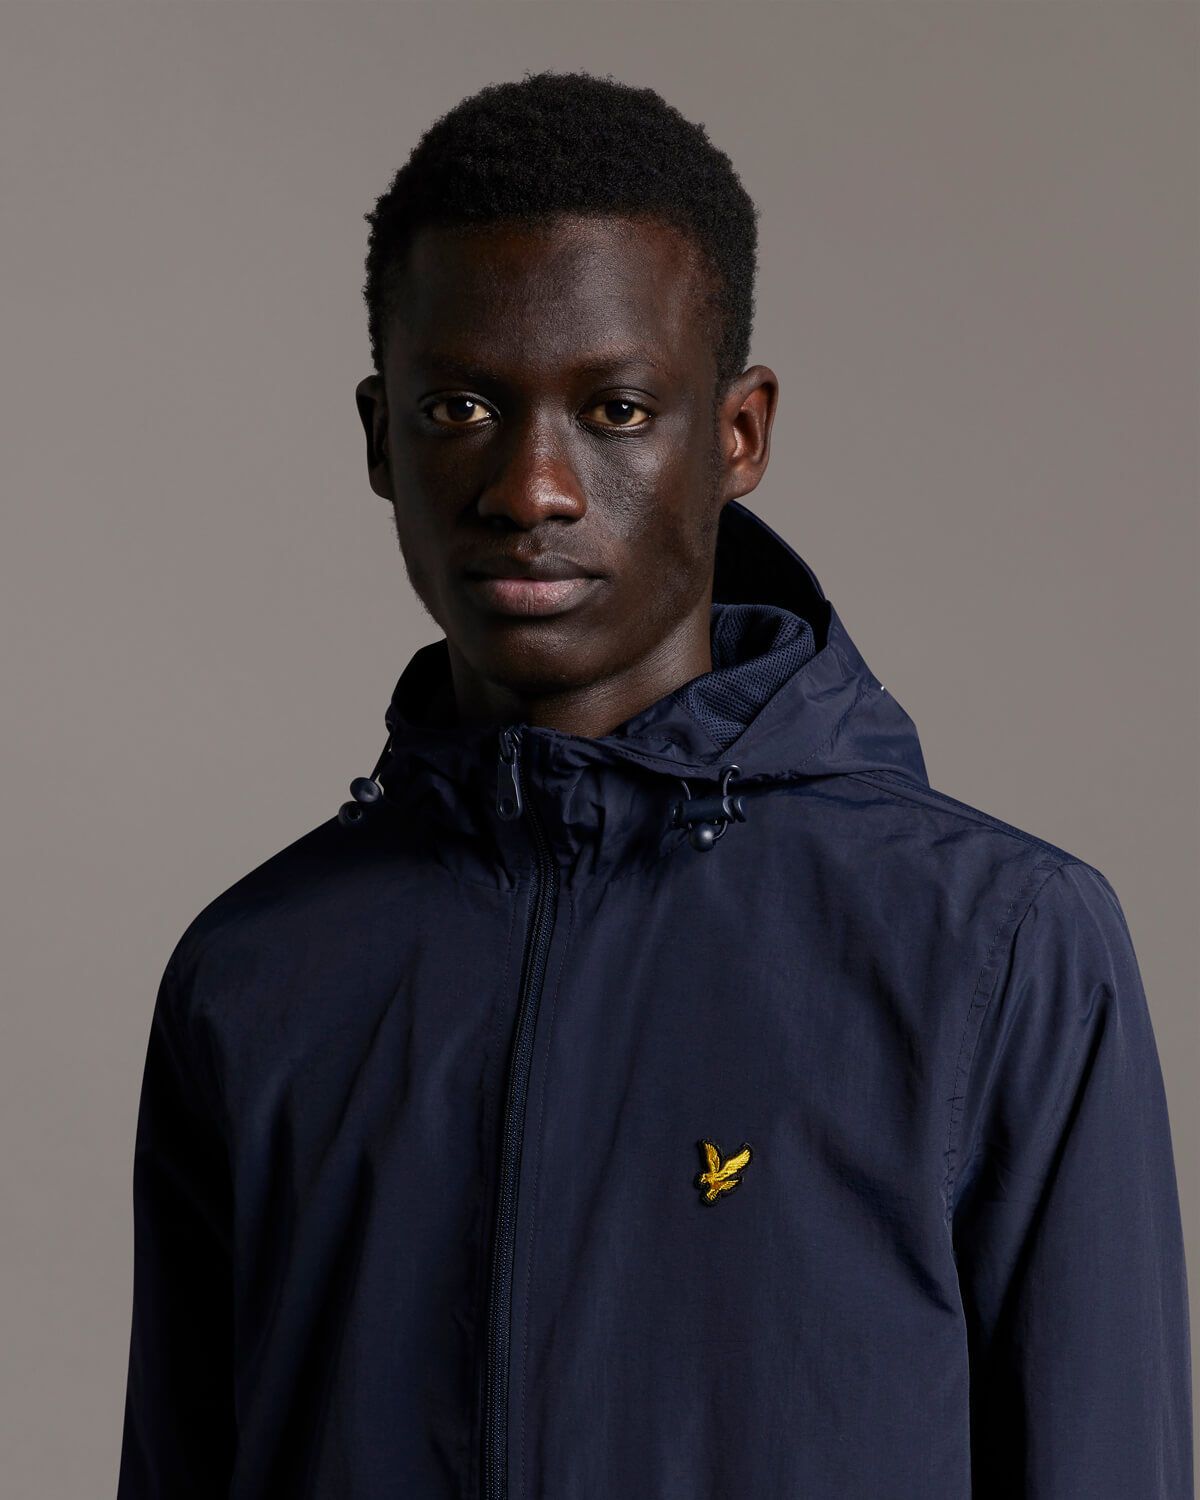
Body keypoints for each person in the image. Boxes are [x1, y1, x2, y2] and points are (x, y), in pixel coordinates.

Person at [116, 69, 1192, 1499]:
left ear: (738, 434)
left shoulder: (997, 947)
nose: (532, 489)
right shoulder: (253, 974)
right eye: (460, 406)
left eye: (616, 409)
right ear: (379, 436)